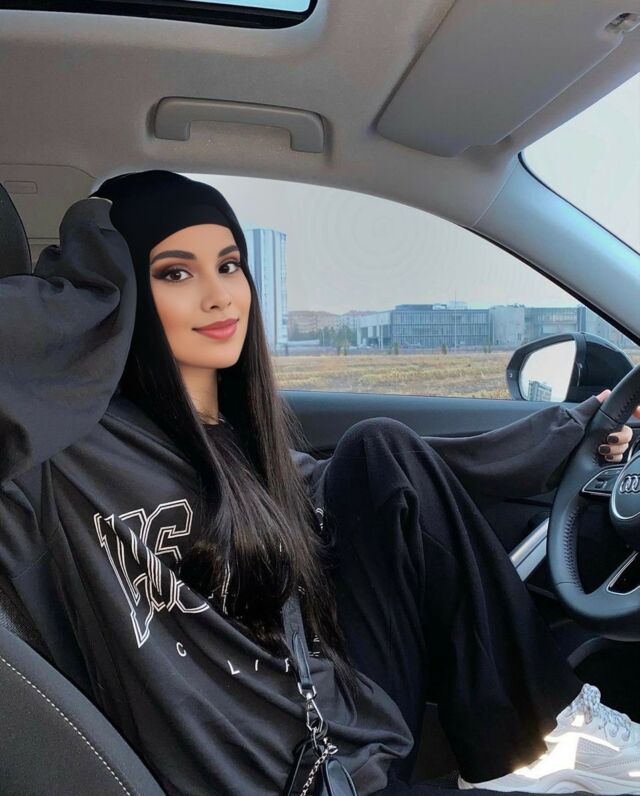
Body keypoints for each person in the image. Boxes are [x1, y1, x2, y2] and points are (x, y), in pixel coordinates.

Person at [0, 169, 638, 796]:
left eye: (229, 265)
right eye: (175, 273)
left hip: (346, 740)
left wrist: (564, 432)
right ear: (123, 291)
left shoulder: (245, 444)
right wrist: (97, 248)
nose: (220, 296)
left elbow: (401, 479)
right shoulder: (66, 454)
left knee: (379, 448)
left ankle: (544, 738)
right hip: (280, 783)